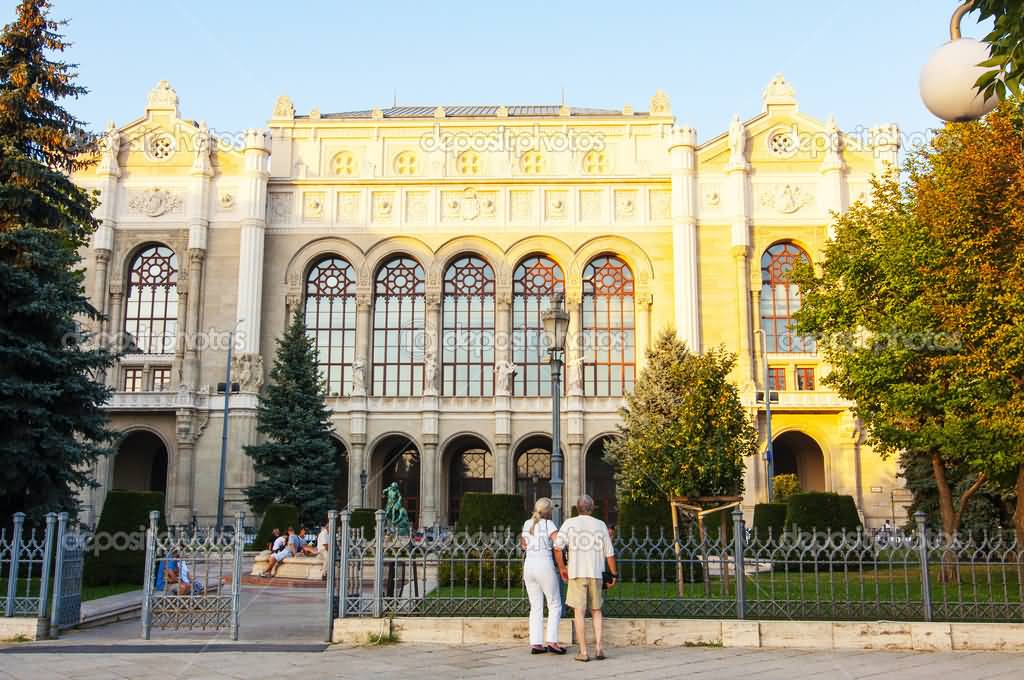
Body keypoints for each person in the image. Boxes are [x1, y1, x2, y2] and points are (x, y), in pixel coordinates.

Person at [554, 494, 617, 662]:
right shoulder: (600, 525)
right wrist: (614, 574)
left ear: (577, 507)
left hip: (576, 573)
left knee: (579, 612)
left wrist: (562, 568)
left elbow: (558, 547)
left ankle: (583, 651)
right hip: (596, 573)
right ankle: (599, 648)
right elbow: (609, 553)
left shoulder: (569, 523)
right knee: (596, 611)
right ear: (592, 507)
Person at [520, 498, 565, 655]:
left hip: (529, 566)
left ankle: (536, 643)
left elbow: (523, 545)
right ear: (548, 511)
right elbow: (559, 543)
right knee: (554, 604)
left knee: (536, 606)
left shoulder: (527, 524)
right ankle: (552, 641)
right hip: (544, 565)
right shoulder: (549, 524)